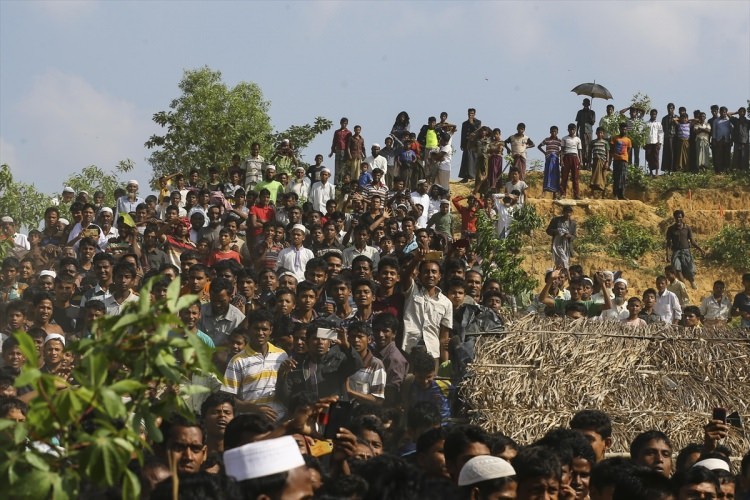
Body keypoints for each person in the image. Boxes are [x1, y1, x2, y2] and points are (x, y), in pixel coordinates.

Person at [666, 210, 705, 289]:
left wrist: (700, 249)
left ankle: (692, 282)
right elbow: (668, 243)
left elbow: (692, 241)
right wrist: (667, 254)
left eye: (680, 217)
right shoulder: (671, 229)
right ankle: (683, 286)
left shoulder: (687, 228)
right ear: (674, 218)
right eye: (676, 217)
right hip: (676, 252)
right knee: (677, 268)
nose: (678, 219)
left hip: (686, 251)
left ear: (682, 218)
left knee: (689, 269)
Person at [546, 206, 577, 270]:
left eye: (570, 213)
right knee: (559, 262)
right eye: (566, 212)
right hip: (557, 244)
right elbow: (548, 231)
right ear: (563, 212)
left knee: (565, 261)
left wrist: (569, 236)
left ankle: (565, 275)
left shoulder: (573, 223)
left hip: (567, 245)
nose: (568, 214)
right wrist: (556, 231)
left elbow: (574, 236)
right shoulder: (555, 220)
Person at [560, 123, 583, 200]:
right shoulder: (564, 138)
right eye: (570, 129)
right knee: (564, 177)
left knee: (575, 177)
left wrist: (581, 161)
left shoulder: (578, 139)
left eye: (573, 129)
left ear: (575, 130)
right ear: (568, 130)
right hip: (566, 157)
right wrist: (561, 160)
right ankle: (563, 194)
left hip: (575, 158)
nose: (572, 131)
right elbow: (562, 150)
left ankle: (576, 195)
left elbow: (579, 151)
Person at [538, 126, 562, 199]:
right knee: (547, 175)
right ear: (550, 132)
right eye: (552, 131)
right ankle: (543, 193)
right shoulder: (546, 140)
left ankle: (555, 195)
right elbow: (539, 146)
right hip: (548, 159)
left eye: (555, 131)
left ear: (557, 132)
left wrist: (558, 153)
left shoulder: (559, 141)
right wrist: (545, 153)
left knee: (555, 176)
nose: (553, 133)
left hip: (555, 160)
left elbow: (564, 148)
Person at [459, 108, 482, 183]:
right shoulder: (464, 123)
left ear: (474, 114)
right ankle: (465, 177)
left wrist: (472, 123)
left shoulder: (478, 122)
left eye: (472, 114)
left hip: (474, 144)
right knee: (465, 160)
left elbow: (478, 131)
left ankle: (473, 176)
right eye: (469, 114)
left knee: (473, 160)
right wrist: (462, 144)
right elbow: (463, 134)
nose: (470, 115)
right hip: (466, 144)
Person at [610, 122, 632, 200]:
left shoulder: (628, 140)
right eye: (622, 129)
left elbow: (628, 150)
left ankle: (621, 195)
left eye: (625, 129)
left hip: (624, 161)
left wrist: (624, 156)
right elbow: (611, 148)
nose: (624, 131)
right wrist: (614, 155)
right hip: (616, 160)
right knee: (616, 177)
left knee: (623, 178)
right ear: (619, 129)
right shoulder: (615, 138)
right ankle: (615, 194)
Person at [576, 98, 596, 170]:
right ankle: (582, 163)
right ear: (583, 104)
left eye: (587, 103)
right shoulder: (580, 112)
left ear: (589, 104)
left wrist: (589, 115)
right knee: (582, 148)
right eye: (585, 103)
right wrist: (576, 132)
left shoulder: (592, 112)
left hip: (589, 132)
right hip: (581, 132)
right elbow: (578, 123)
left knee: (589, 148)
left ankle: (588, 164)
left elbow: (593, 122)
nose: (586, 105)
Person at [644, 109, 664, 176]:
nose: (654, 115)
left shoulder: (658, 123)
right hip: (648, 142)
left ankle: (656, 172)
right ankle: (650, 172)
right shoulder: (646, 123)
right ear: (650, 115)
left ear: (656, 115)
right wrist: (644, 143)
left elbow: (660, 133)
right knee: (649, 157)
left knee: (656, 157)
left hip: (656, 143)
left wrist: (660, 143)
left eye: (655, 114)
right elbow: (644, 133)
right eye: (652, 114)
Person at [729, 107, 749, 171]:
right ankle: (735, 170)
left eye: (743, 112)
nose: (742, 113)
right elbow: (728, 114)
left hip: (745, 142)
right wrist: (736, 112)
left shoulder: (748, 122)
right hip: (737, 141)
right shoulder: (735, 120)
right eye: (740, 111)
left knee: (744, 157)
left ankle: (744, 171)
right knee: (736, 156)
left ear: (745, 113)